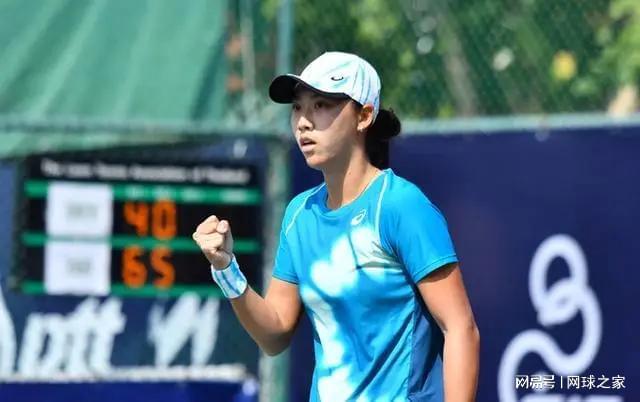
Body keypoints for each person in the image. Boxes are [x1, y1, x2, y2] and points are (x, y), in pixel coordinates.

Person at [193, 51, 480, 402]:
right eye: (297, 107)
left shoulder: (401, 206)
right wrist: (226, 268)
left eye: (321, 105)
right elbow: (274, 333)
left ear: (364, 116)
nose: (303, 122)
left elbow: (460, 328)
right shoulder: (299, 214)